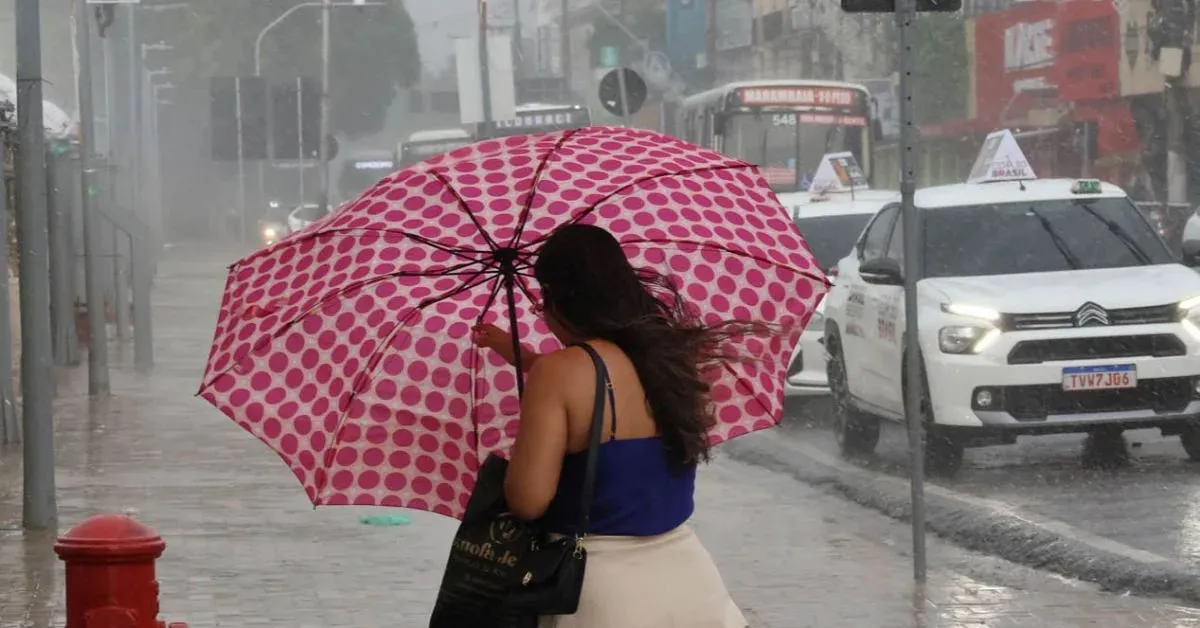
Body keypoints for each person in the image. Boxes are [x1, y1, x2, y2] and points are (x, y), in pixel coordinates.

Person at [472, 223, 754, 628]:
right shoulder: (669, 358)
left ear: (560, 296)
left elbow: (528, 499)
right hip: (692, 583)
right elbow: (602, 383)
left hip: (601, 594)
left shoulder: (558, 373)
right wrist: (514, 352)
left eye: (542, 300)